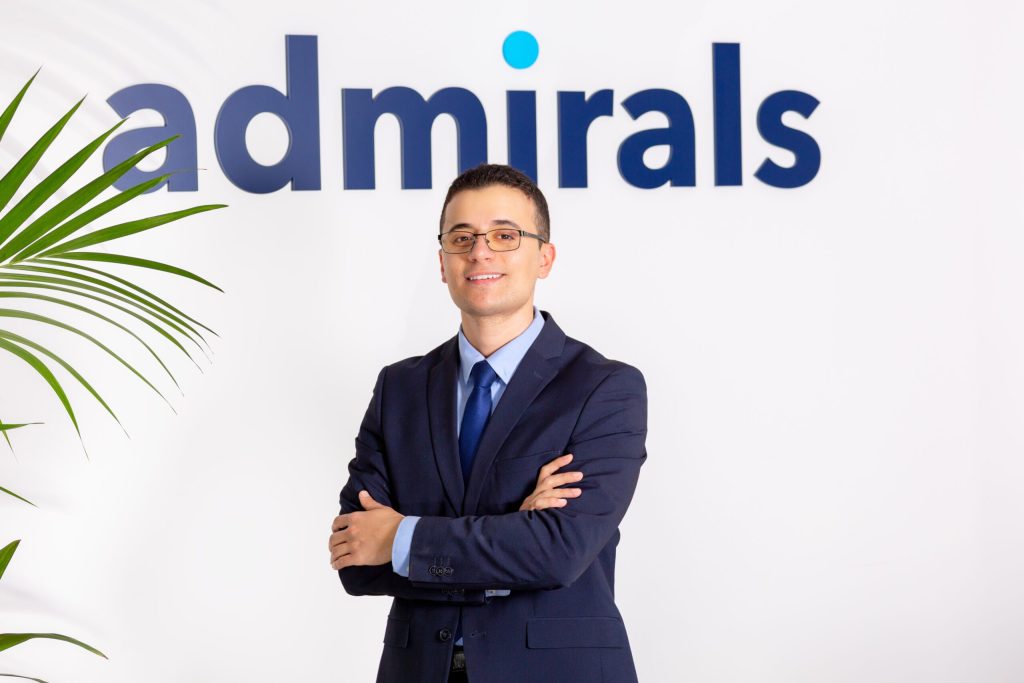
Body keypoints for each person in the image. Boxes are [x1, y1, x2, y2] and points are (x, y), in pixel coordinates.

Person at [329, 163, 647, 682]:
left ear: (544, 257)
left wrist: (402, 539)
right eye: (462, 238)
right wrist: (513, 534)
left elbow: (558, 552)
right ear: (443, 262)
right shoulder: (399, 388)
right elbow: (356, 556)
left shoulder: (603, 388)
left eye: (505, 235)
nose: (480, 252)